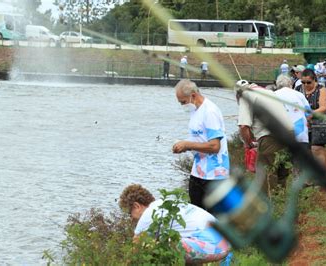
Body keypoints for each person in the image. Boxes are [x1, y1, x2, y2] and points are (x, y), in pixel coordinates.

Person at [119, 184, 231, 264]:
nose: (131, 219)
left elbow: (134, 252)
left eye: (130, 213)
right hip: (226, 242)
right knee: (173, 239)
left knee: (158, 246)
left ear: (136, 206)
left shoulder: (148, 214)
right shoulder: (165, 204)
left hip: (215, 247)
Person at [172, 80, 229, 210]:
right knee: (196, 213)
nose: (182, 105)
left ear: (193, 95)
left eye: (183, 102)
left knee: (212, 217)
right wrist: (183, 146)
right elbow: (199, 139)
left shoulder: (210, 111)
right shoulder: (195, 111)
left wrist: (188, 145)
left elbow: (215, 146)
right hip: (198, 171)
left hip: (214, 175)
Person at [235, 80, 294, 195]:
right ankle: (280, 200)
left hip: (271, 136)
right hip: (290, 134)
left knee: (265, 173)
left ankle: (268, 205)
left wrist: (248, 143)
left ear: (237, 94)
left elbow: (243, 127)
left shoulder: (245, 95)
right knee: (282, 170)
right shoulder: (268, 92)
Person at [299, 69, 326, 163]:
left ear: (314, 80)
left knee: (316, 149)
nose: (305, 85)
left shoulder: (321, 90)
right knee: (304, 150)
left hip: (319, 123)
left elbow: (324, 107)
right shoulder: (298, 89)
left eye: (308, 82)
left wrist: (310, 114)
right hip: (303, 123)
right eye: (303, 82)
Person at [274, 74, 311, 148]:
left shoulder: (273, 95)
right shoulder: (299, 95)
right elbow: (309, 114)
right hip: (300, 135)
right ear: (290, 84)